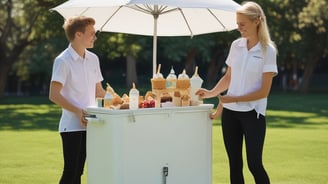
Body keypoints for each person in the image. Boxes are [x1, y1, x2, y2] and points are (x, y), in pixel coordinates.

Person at [196, 1, 277, 184]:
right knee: (234, 164)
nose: (239, 28)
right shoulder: (236, 45)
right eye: (237, 24)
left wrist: (235, 98)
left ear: (256, 21)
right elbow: (228, 78)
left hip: (252, 114)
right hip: (230, 114)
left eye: (242, 24)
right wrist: (210, 93)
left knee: (254, 164)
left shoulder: (268, 51)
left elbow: (263, 92)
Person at [49, 16, 105, 184]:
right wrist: (77, 110)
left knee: (79, 172)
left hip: (90, 124)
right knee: (71, 171)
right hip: (71, 125)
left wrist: (120, 99)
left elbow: (99, 91)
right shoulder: (63, 61)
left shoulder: (93, 59)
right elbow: (54, 94)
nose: (94, 37)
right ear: (78, 35)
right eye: (92, 33)